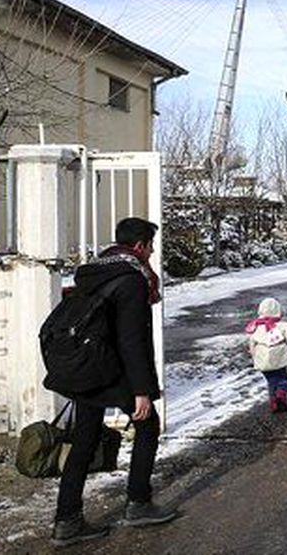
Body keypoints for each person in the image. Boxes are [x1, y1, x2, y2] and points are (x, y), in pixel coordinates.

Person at [52, 217, 178, 547]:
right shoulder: (131, 280)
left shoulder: (95, 272)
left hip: (87, 368)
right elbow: (131, 340)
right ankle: (138, 503)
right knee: (148, 426)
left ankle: (67, 520)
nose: (151, 253)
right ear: (138, 246)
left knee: (84, 440)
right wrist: (142, 391)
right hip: (113, 371)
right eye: (149, 246)